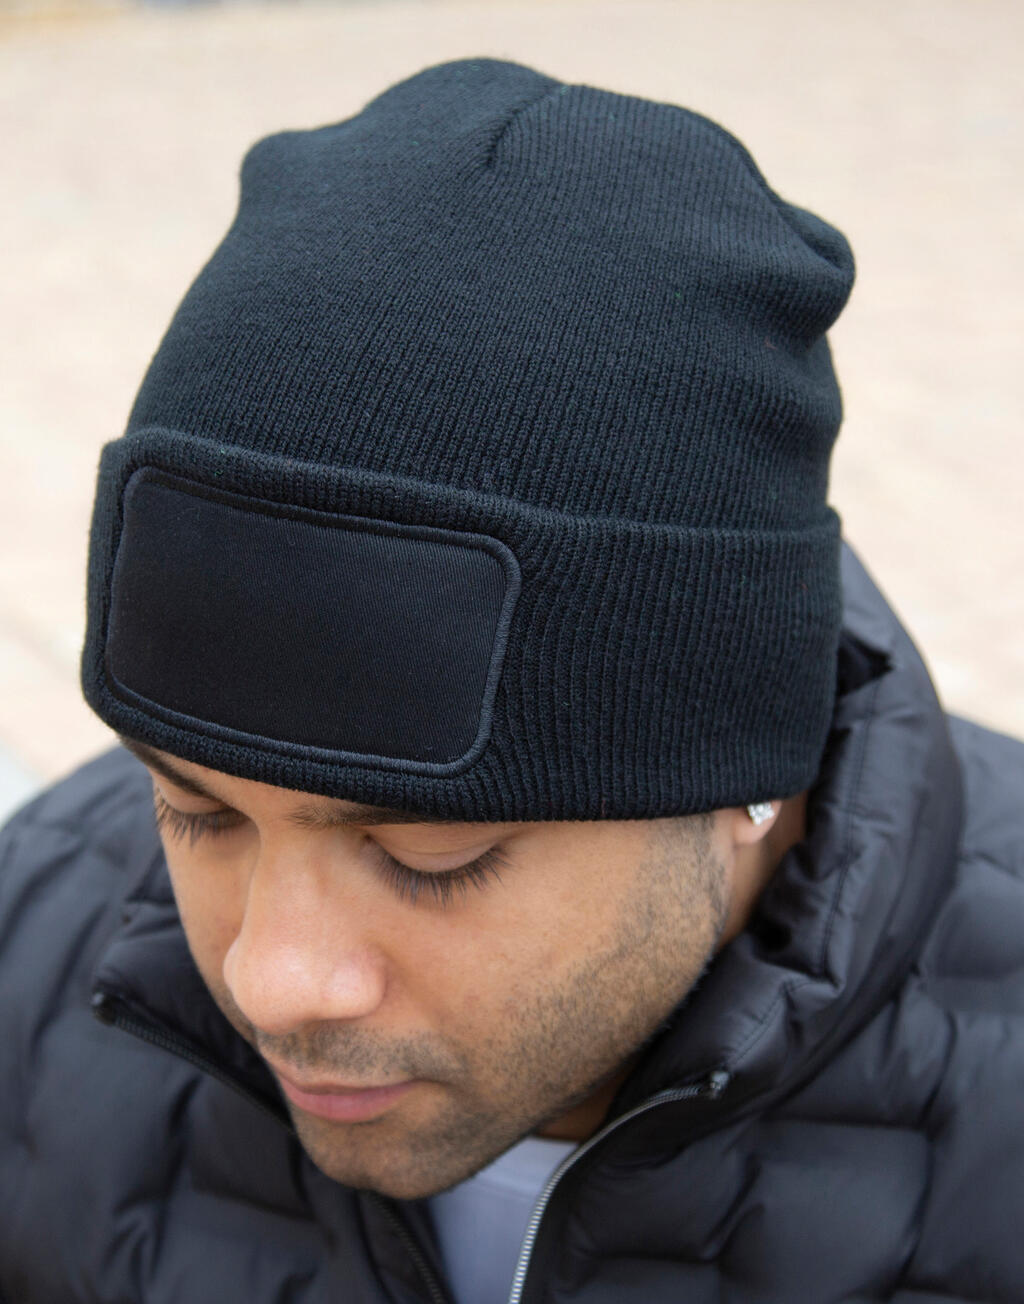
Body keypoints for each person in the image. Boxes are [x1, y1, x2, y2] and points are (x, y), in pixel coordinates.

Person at [1, 56, 1021, 1304]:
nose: (272, 978)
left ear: (745, 778)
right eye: (197, 809)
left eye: (432, 853)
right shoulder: (27, 940)